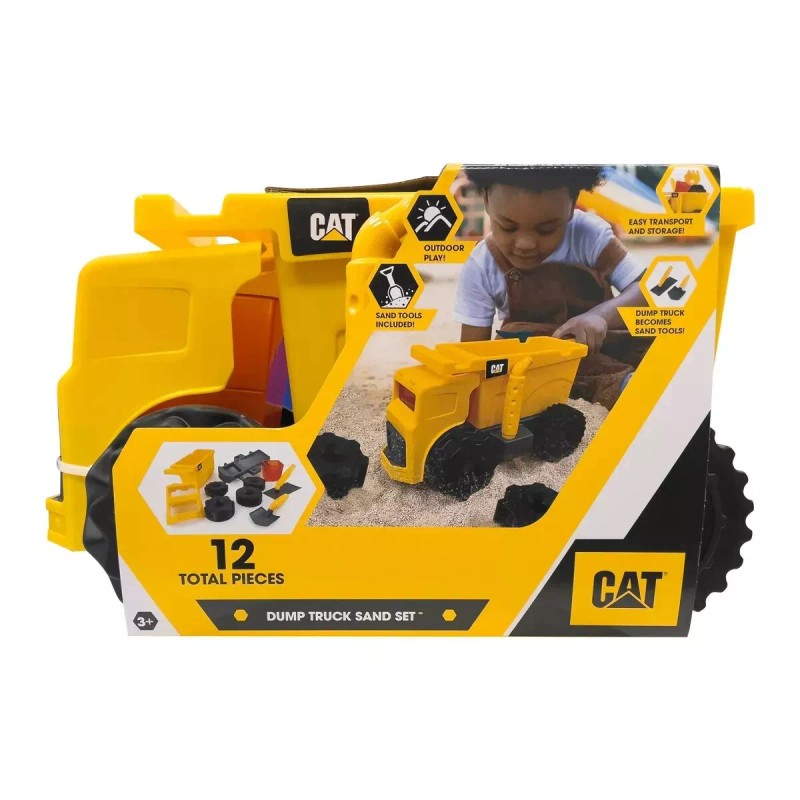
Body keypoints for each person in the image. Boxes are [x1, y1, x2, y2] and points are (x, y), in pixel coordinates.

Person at [455, 166, 648, 408]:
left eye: (546, 229)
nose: (525, 244)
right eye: (508, 227)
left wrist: (600, 316)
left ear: (572, 204)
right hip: (541, 361)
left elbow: (648, 288)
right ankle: (623, 385)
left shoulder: (588, 235)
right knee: (517, 339)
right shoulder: (481, 264)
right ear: (486, 199)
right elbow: (473, 353)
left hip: (605, 342)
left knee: (658, 330)